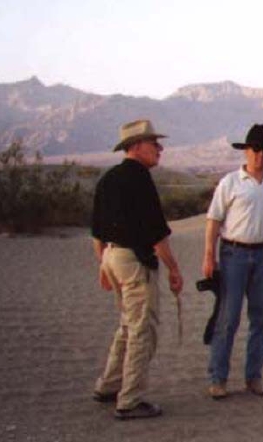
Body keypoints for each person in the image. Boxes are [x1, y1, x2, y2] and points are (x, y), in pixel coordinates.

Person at [91, 119, 184, 419]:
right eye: (153, 143)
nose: (160, 148)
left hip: (111, 256)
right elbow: (156, 233)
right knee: (142, 328)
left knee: (128, 324)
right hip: (133, 261)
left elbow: (97, 230)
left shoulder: (108, 178)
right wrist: (174, 269)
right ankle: (130, 399)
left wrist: (103, 265)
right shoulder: (140, 179)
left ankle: (109, 385)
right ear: (135, 146)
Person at [201, 124, 263, 400]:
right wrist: (209, 255)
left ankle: (253, 376)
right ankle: (218, 378)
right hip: (233, 255)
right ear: (246, 151)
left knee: (262, 317)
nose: (260, 155)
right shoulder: (230, 182)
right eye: (255, 149)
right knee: (228, 318)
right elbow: (214, 219)